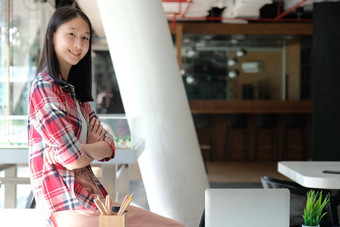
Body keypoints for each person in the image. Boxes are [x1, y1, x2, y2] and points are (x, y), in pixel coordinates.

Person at [28, 6, 185, 227]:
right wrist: (87, 148)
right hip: (68, 206)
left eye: (85, 38)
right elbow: (73, 159)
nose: (79, 45)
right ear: (51, 35)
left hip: (94, 201)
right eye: (71, 34)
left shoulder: (75, 94)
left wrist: (84, 149)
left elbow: (109, 147)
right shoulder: (45, 86)